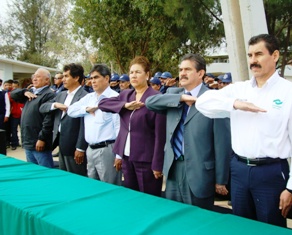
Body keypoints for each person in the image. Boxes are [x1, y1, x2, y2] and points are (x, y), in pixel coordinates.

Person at [196, 34, 292, 227]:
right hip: (239, 170)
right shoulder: (239, 89)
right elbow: (202, 103)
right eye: (250, 55)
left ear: (275, 56)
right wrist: (235, 104)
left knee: (270, 228)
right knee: (241, 227)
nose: (253, 61)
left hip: (271, 172)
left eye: (259, 54)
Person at [146, 53, 231, 209]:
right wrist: (182, 99)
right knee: (173, 217)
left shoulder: (213, 98)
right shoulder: (174, 95)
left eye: (187, 69)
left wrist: (221, 179)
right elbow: (150, 103)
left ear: (200, 73)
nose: (182, 73)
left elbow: (222, 143)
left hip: (200, 173)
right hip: (173, 169)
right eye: (180, 69)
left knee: (198, 222)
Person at [98, 56, 166, 197]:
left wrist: (157, 164)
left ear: (147, 75)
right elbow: (102, 104)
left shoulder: (156, 97)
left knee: (149, 198)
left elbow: (160, 135)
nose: (133, 75)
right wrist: (124, 106)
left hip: (147, 159)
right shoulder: (126, 95)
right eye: (131, 72)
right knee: (132, 197)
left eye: (138, 72)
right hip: (127, 157)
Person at [67, 64, 122, 185]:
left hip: (107, 150)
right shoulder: (89, 98)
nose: (92, 81)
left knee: (109, 187)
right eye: (91, 78)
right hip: (90, 149)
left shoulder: (115, 98)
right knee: (93, 186)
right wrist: (87, 109)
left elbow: (119, 128)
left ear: (107, 78)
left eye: (96, 77)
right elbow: (70, 110)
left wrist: (119, 155)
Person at [40, 63, 88, 176]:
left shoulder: (85, 96)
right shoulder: (61, 95)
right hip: (60, 143)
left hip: (74, 146)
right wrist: (55, 105)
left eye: (66, 76)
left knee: (77, 178)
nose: (63, 79)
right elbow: (43, 108)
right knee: (64, 176)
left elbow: (84, 125)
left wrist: (80, 148)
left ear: (76, 78)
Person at [11, 68, 55, 168]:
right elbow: (13, 94)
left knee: (44, 172)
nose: (34, 79)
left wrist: (42, 138)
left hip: (38, 141)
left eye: (38, 77)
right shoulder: (30, 92)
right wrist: (24, 92)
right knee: (32, 171)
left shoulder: (48, 94)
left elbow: (48, 120)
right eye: (33, 76)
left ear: (47, 80)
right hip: (28, 140)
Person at [9, 80, 24, 150]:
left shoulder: (23, 93)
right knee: (14, 130)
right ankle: (15, 143)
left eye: (15, 86)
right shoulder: (10, 94)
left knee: (23, 129)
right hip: (14, 114)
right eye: (13, 86)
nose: (14, 87)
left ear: (18, 86)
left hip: (22, 114)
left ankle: (24, 143)